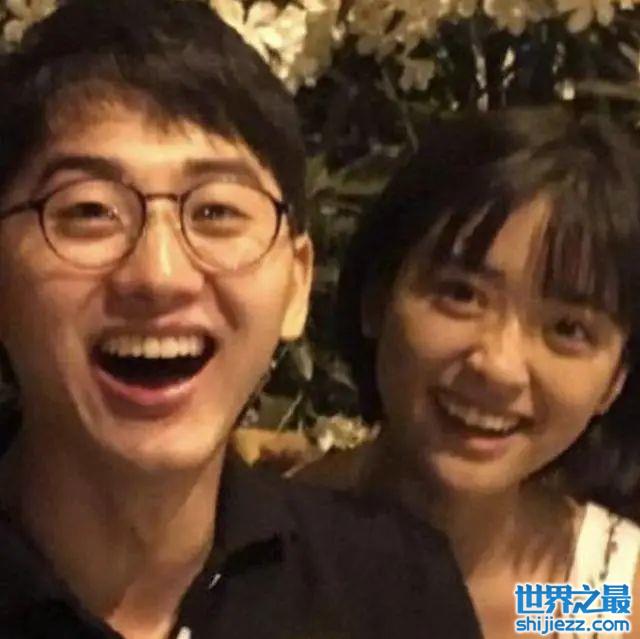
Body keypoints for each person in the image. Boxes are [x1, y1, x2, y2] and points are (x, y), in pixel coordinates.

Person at [0, 1, 481, 638]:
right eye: (89, 211)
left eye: (216, 212)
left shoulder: (396, 590)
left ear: (297, 283)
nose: (160, 275)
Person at [318, 107, 640, 637]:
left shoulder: (587, 599)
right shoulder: (247, 542)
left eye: (568, 328)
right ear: (377, 298)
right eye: (461, 294)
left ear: (616, 380)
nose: (500, 367)